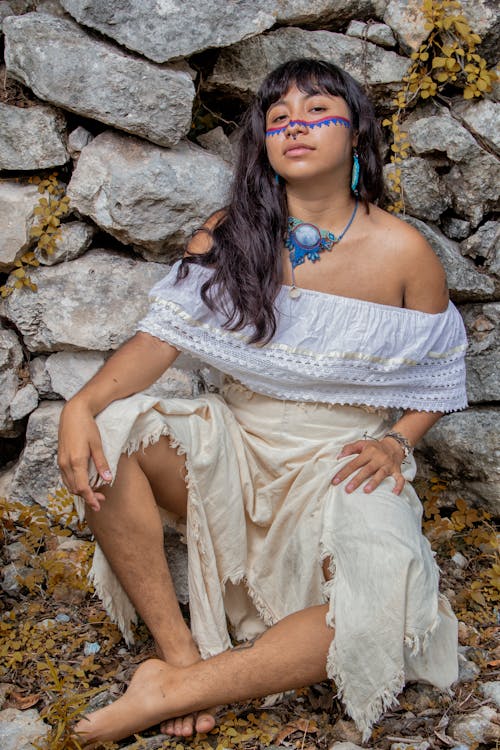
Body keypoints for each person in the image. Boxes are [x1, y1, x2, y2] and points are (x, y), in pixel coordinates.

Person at [58, 58, 468, 746]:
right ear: (262, 146)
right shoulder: (231, 232)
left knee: (384, 603)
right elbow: (159, 340)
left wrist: (396, 442)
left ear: (357, 132)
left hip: (340, 460)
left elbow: (438, 378)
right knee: (117, 424)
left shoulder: (404, 252)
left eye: (316, 113)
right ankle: (180, 649)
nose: (295, 127)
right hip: (238, 449)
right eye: (278, 119)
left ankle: (176, 688)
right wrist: (81, 403)